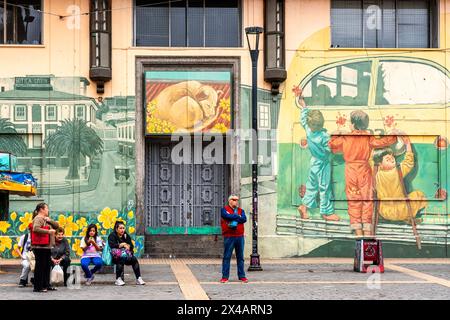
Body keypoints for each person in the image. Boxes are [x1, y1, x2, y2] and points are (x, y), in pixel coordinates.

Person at [329, 111, 397, 237]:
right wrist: (393, 135)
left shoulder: (346, 138)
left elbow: (332, 146)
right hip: (364, 171)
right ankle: (367, 233)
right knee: (367, 200)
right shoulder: (368, 138)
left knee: (354, 200)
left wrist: (335, 134)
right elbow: (383, 142)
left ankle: (358, 234)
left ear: (353, 124)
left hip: (350, 171)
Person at [297, 94, 339, 221]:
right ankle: (326, 212)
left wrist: (303, 105)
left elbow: (304, 118)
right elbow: (330, 149)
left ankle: (304, 207)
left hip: (313, 162)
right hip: (323, 164)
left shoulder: (308, 130)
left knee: (312, 186)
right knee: (324, 188)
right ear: (320, 125)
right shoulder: (324, 136)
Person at [373, 136, 427, 222]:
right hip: (402, 210)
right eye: (388, 159)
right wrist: (408, 144)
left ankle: (405, 219)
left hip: (384, 212)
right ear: (380, 164)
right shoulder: (398, 171)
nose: (392, 159)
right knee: (419, 195)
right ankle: (408, 218)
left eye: (392, 157)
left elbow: (370, 160)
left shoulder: (376, 173)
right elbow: (409, 162)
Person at [31, 202, 59, 292]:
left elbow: (57, 226)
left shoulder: (45, 219)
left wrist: (49, 220)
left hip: (46, 246)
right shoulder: (38, 218)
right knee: (40, 266)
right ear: (42, 209)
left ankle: (46, 284)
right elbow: (35, 228)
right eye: (46, 208)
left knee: (47, 266)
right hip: (40, 247)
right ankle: (38, 287)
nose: (48, 210)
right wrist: (48, 232)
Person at [220, 195, 248, 283]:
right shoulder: (224, 209)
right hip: (229, 236)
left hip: (239, 236)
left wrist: (233, 216)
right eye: (234, 200)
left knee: (240, 257)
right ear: (230, 201)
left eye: (237, 200)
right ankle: (225, 277)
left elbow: (244, 219)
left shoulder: (241, 210)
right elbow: (225, 216)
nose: (236, 201)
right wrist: (237, 217)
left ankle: (242, 276)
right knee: (227, 257)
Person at [108, 221, 145, 286]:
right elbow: (112, 245)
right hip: (115, 256)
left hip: (126, 255)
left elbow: (131, 245)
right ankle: (118, 279)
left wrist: (128, 246)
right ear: (116, 229)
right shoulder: (112, 235)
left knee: (134, 259)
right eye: (120, 228)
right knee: (121, 259)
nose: (122, 230)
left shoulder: (125, 235)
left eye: (123, 228)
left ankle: (138, 278)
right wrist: (122, 244)